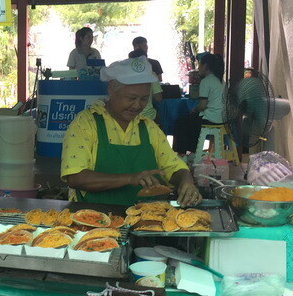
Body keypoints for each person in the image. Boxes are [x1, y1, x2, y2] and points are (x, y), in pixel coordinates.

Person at [61, 57, 201, 206]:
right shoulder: (86, 123)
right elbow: (75, 177)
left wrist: (186, 180)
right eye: (131, 98)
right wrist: (130, 178)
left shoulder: (148, 127)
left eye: (144, 99)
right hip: (93, 219)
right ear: (111, 89)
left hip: (146, 219)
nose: (137, 105)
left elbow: (172, 166)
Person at [172, 53, 226, 155]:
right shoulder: (221, 81)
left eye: (199, 64)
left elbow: (202, 106)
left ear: (205, 66)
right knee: (192, 121)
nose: (198, 68)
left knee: (180, 122)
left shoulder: (206, 81)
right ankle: (193, 152)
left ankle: (182, 154)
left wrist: (194, 110)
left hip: (211, 118)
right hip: (222, 118)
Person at [129, 49, 162, 122]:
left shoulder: (124, 76)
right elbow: (158, 98)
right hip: (149, 116)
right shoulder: (151, 74)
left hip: (129, 116)